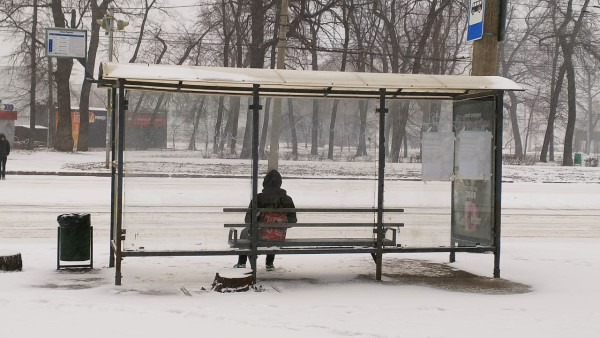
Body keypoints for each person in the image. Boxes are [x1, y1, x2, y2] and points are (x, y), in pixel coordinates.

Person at [234, 170, 297, 271]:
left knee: (244, 232)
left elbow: (248, 220)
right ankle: (269, 263)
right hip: (278, 236)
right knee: (272, 232)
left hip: (259, 236)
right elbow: (292, 221)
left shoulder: (258, 198)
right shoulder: (287, 199)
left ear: (265, 183)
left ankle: (241, 263)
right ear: (280, 183)